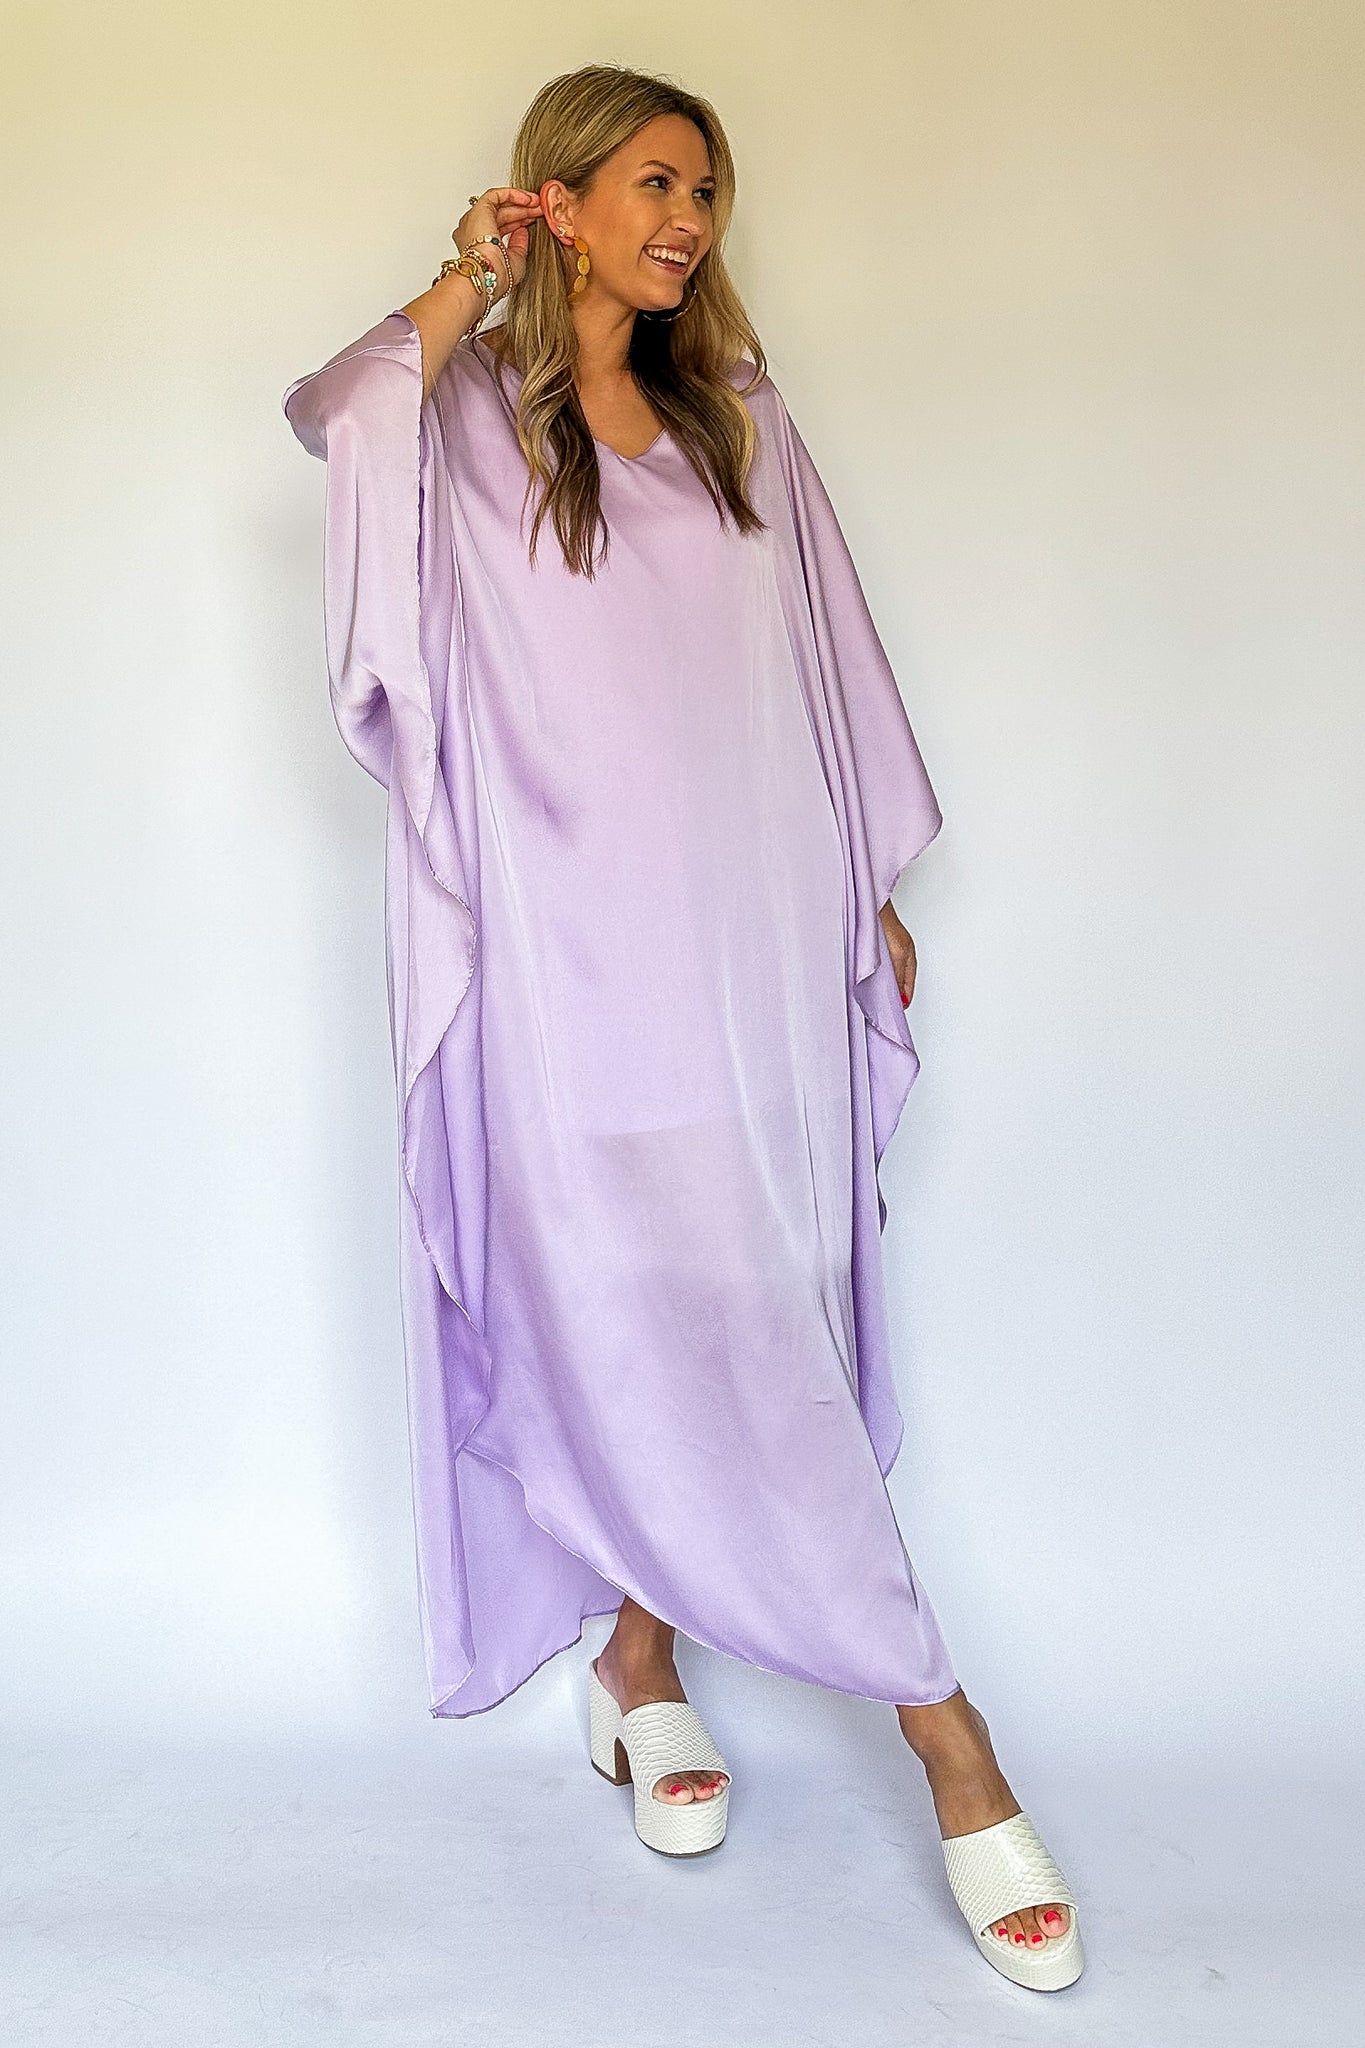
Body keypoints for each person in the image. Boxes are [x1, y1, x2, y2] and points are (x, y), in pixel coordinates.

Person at [282, 62, 1083, 1991]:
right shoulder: (460, 418)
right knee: (649, 1292)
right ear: (559, 195)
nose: (689, 221)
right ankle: (947, 1735)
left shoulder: (738, 418)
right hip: (571, 961)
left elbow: (811, 662)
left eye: (705, 191)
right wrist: (469, 275)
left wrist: (860, 884)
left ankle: (638, 1661)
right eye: (652, 182)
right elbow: (331, 410)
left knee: (757, 1292)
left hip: (754, 938)